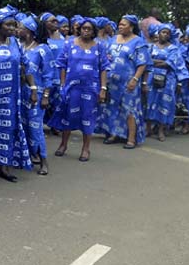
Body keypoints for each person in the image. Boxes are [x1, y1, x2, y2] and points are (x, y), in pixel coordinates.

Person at [0, 6, 36, 182]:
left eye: (14, 25)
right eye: (8, 25)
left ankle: (4, 167)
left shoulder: (16, 44)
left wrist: (33, 89)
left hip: (11, 97)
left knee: (7, 129)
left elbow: (25, 66)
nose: (12, 29)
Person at [50, 18, 110, 161]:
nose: (86, 31)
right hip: (72, 87)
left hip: (91, 88)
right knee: (68, 116)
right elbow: (62, 65)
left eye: (89, 29)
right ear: (79, 29)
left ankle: (85, 149)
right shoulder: (69, 44)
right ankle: (63, 145)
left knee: (87, 117)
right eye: (84, 28)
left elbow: (104, 68)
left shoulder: (99, 47)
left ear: (94, 31)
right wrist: (63, 85)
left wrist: (103, 88)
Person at [100, 15, 150, 148]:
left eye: (123, 24)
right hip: (112, 82)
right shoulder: (112, 40)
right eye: (119, 24)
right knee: (112, 108)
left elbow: (143, 63)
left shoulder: (138, 42)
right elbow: (105, 58)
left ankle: (131, 138)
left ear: (132, 26)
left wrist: (135, 79)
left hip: (129, 82)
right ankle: (114, 134)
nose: (120, 26)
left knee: (129, 109)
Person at [19, 16, 54, 175]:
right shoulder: (19, 47)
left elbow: (49, 74)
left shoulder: (42, 49)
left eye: (21, 28)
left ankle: (44, 161)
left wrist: (46, 95)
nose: (18, 30)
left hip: (36, 94)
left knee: (35, 128)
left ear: (30, 32)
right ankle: (28, 156)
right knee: (22, 126)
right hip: (20, 93)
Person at [145, 24, 188, 141]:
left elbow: (169, 63)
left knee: (165, 104)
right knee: (149, 101)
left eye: (168, 33)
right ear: (158, 33)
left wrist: (154, 61)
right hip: (150, 78)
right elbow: (146, 60)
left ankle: (161, 130)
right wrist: (161, 61)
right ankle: (148, 128)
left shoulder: (174, 48)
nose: (165, 34)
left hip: (168, 79)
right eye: (163, 32)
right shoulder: (150, 47)